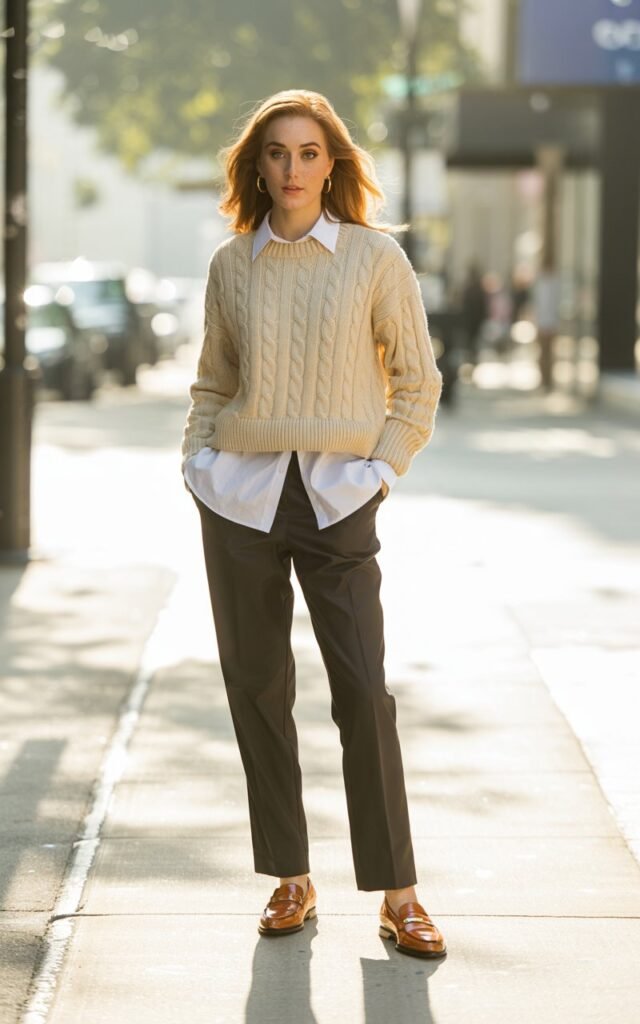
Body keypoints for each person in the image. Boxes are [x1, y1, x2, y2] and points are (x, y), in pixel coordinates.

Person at [180, 89, 446, 959]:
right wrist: (198, 466)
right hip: (239, 499)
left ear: (332, 165)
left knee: (363, 689)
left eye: (308, 153)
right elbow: (214, 383)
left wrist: (380, 471)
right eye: (277, 153)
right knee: (257, 688)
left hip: (338, 496)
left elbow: (417, 383)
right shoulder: (232, 265)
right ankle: (290, 877)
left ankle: (399, 893)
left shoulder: (374, 258)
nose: (292, 169)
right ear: (256, 167)